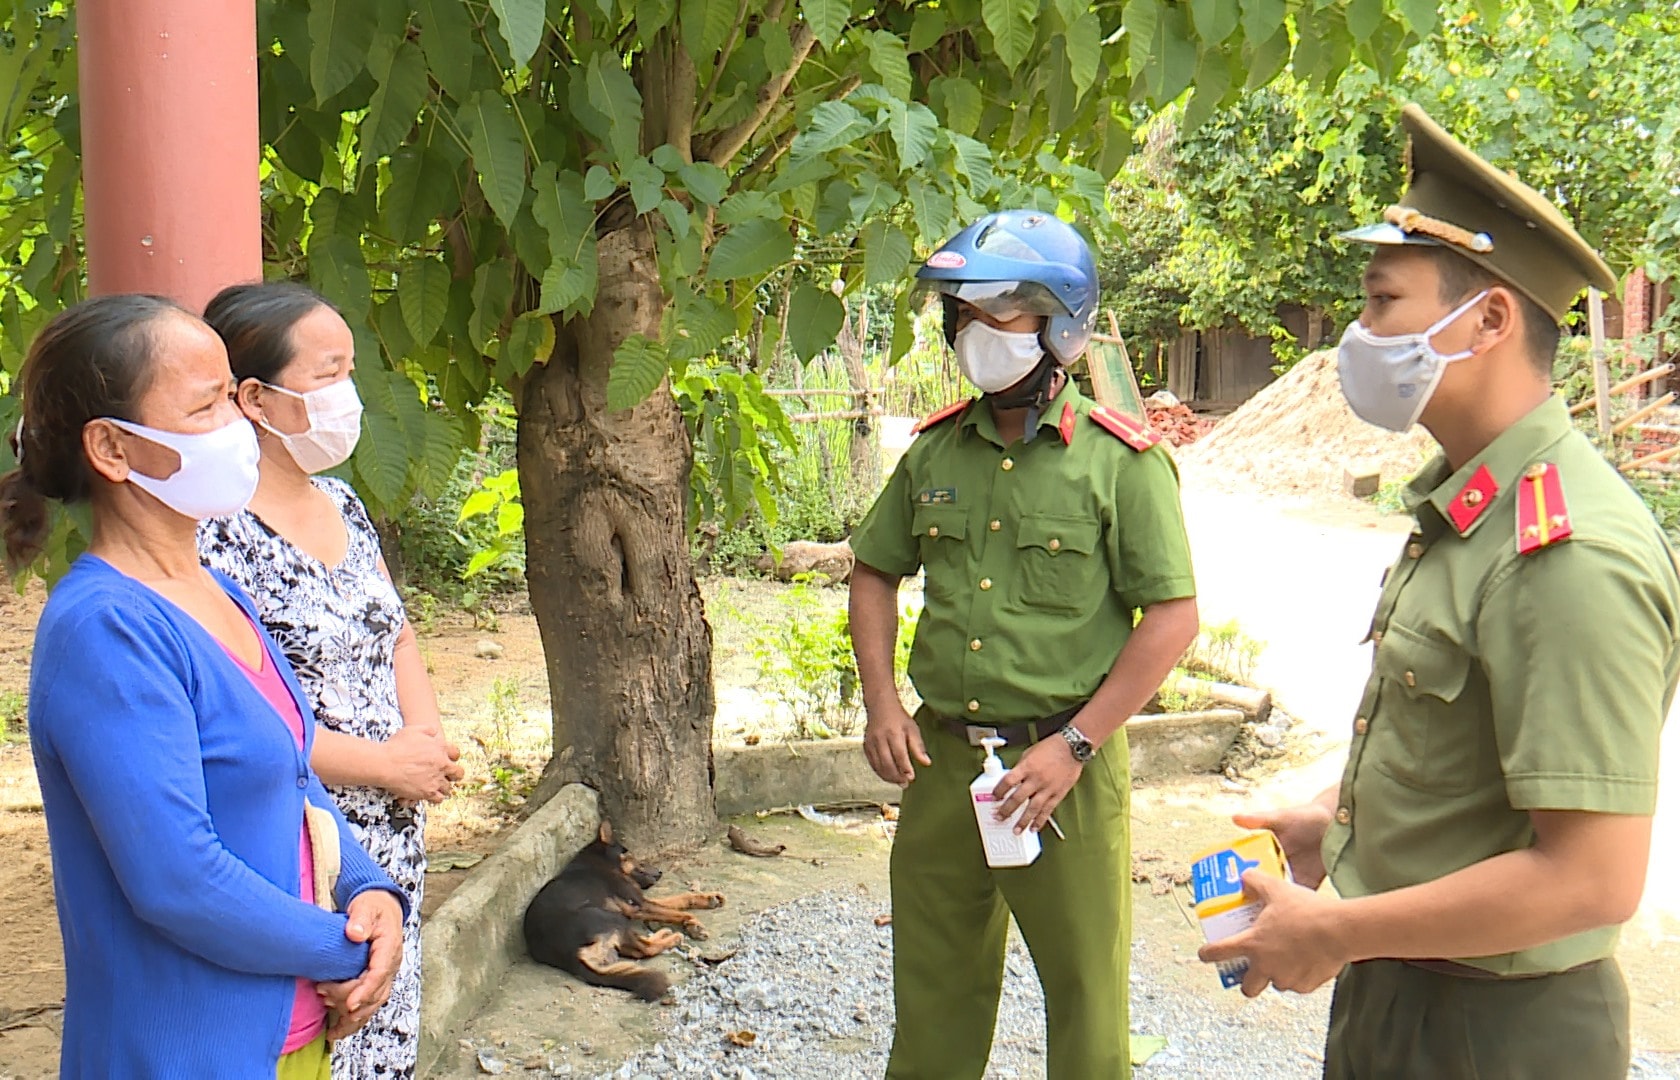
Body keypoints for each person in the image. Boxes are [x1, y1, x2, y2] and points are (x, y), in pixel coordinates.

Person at [1201, 104, 1680, 1079]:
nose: (1358, 333)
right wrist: (1336, 820)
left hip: (1500, 1032)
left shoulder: (1569, 548)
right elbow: (1457, 750)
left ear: (1489, 319)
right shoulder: (1471, 509)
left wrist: (1337, 931)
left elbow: (1591, 879)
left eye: (1383, 302)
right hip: (1403, 984)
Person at [1, 294, 409, 1078]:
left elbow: (292, 776)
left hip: (290, 1037)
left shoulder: (221, 591)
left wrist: (371, 891)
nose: (238, 424)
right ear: (114, 449)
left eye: (232, 393)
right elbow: (178, 879)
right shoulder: (107, 628)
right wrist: (341, 946)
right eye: (208, 406)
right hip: (184, 1051)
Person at [847, 210, 1201, 1079]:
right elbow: (871, 571)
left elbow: (1172, 617)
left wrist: (1076, 746)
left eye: (1000, 317)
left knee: (1086, 1004)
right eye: (964, 318)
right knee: (933, 989)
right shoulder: (933, 453)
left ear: (1060, 326)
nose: (977, 336)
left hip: (1062, 772)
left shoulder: (1123, 463)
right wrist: (884, 701)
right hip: (942, 764)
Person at [197, 281, 463, 1080]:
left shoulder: (343, 503)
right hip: (296, 834)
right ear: (255, 396)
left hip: (393, 833)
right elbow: (236, 712)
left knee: (384, 1037)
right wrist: (381, 764)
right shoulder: (216, 531)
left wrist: (423, 740)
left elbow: (397, 634)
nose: (349, 394)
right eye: (328, 373)